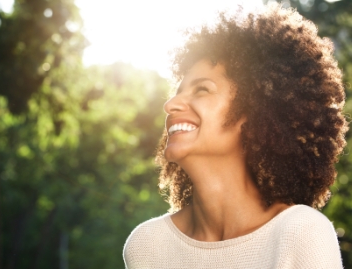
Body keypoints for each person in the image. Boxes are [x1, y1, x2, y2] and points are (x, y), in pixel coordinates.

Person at [123, 4, 347, 269]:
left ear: (255, 111)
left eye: (202, 89)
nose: (171, 104)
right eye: (178, 91)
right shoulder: (147, 245)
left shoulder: (300, 233)